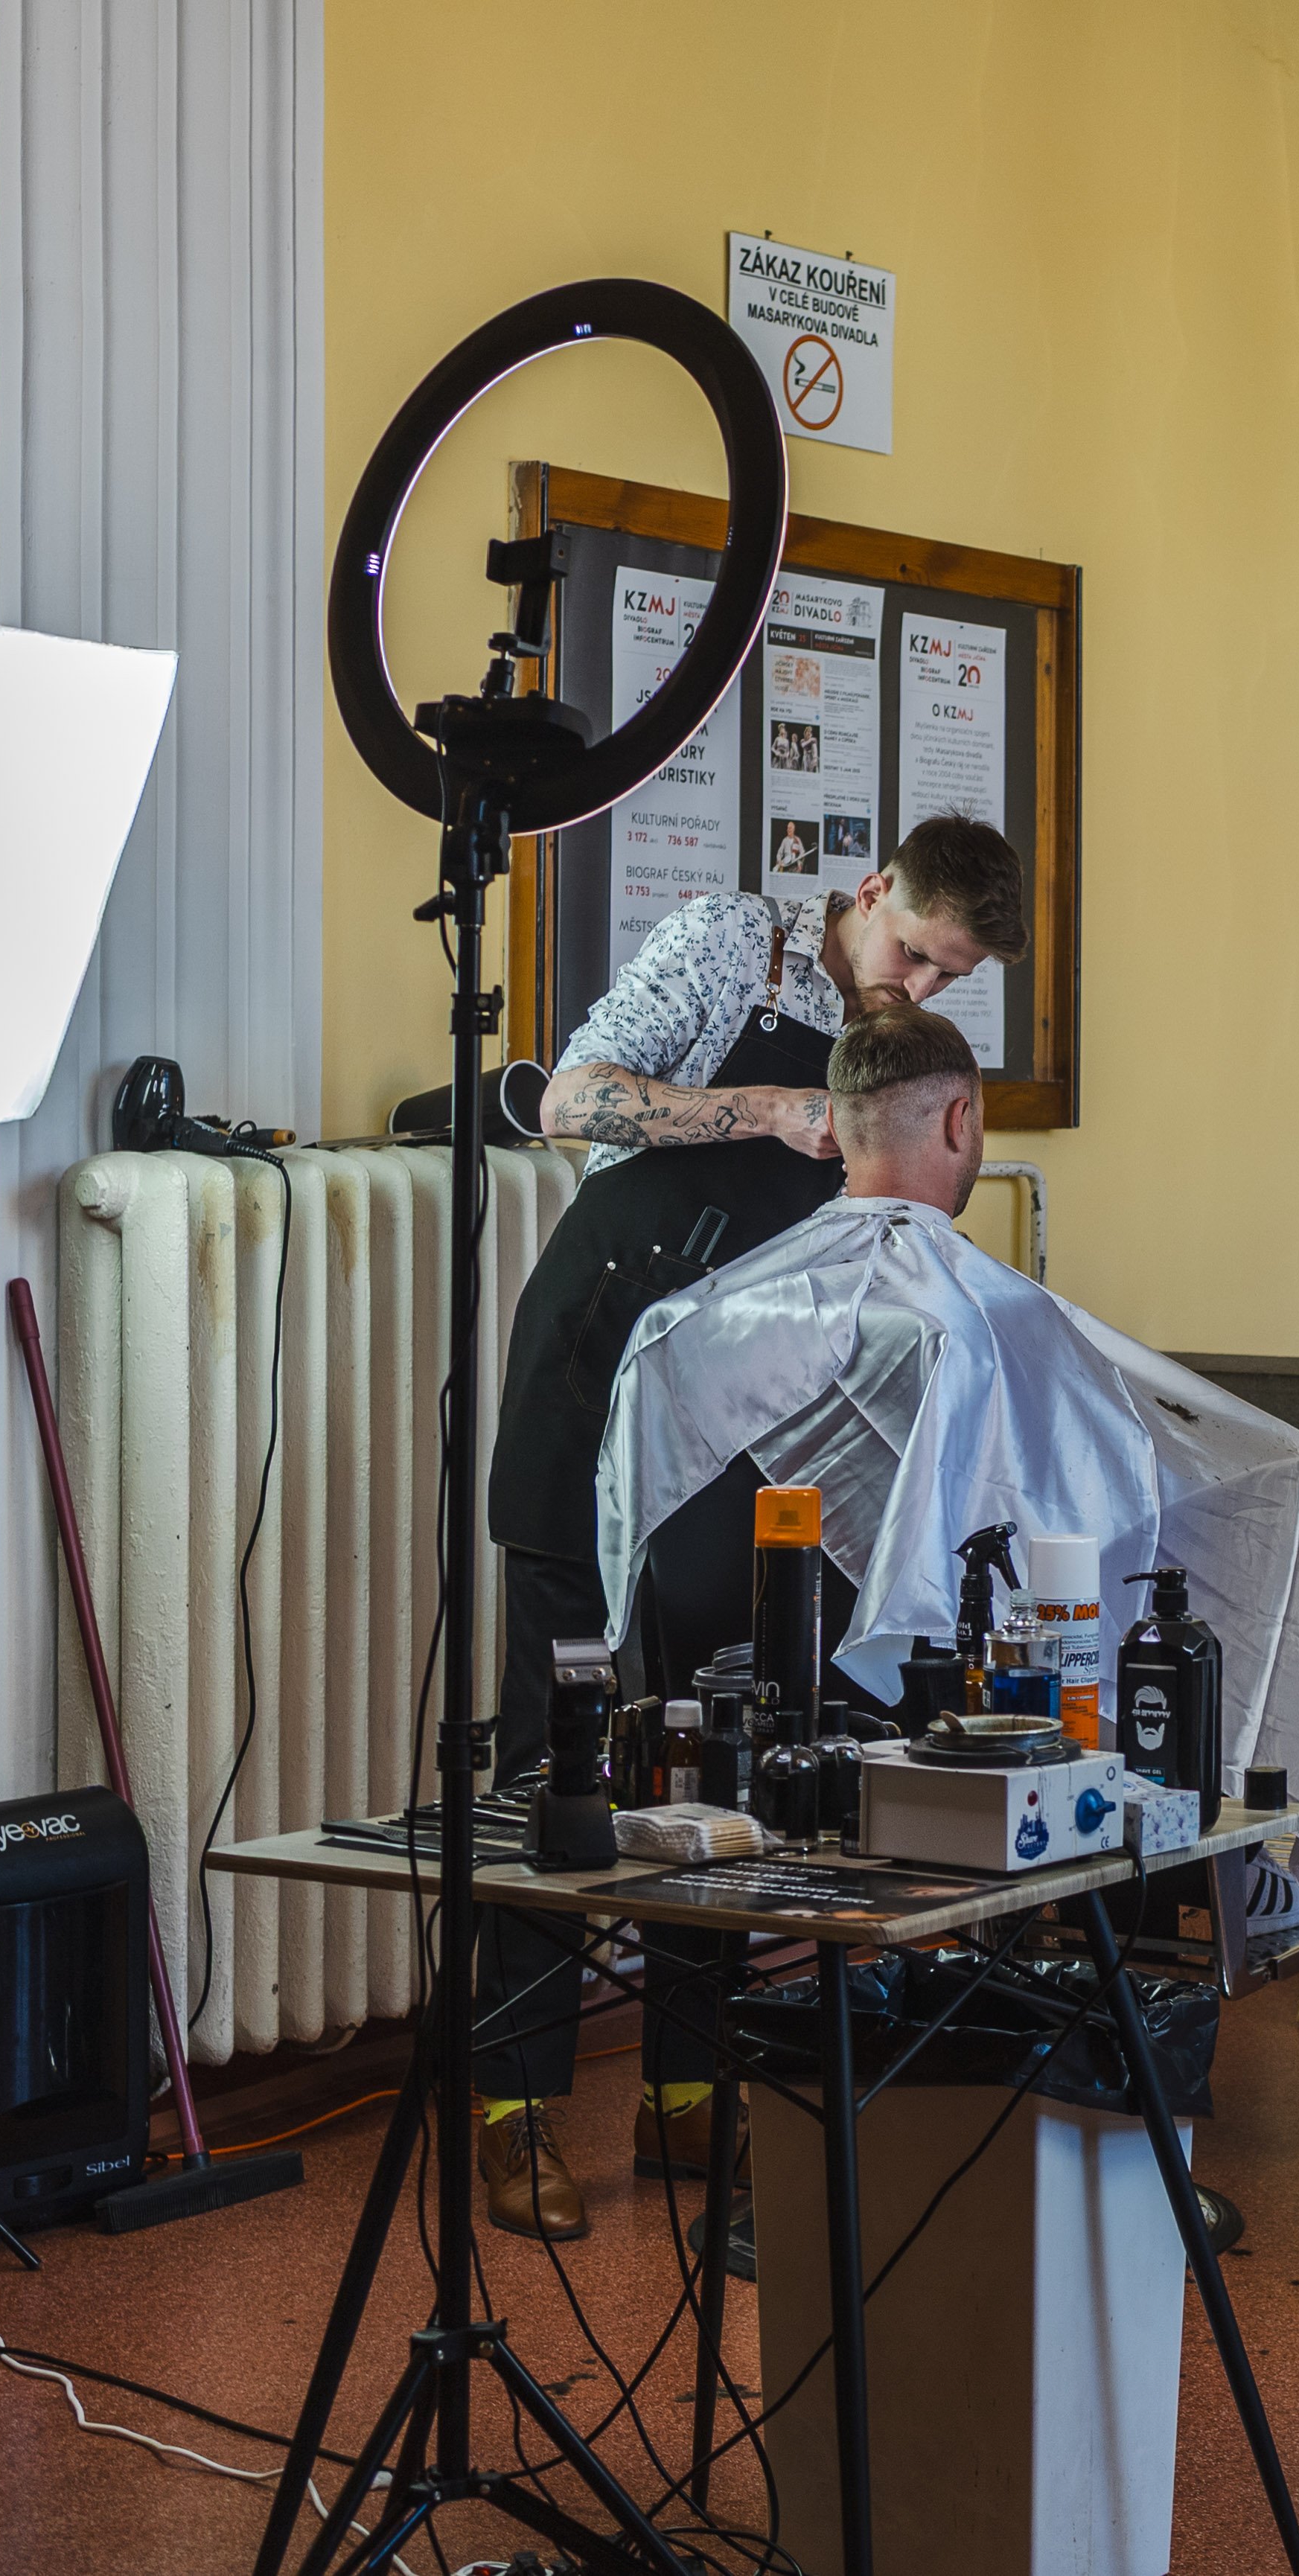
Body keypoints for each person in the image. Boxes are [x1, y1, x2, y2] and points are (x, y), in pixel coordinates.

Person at [601, 1004, 1299, 2045]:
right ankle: (1205, 1896)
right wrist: (1294, 1476)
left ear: (836, 1127)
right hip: (932, 1751)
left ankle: (683, 2087)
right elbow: (1083, 1502)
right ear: (961, 1123)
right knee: (1124, 1618)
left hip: (715, 1749)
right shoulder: (975, 1321)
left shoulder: (682, 1325)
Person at [471, 819, 1026, 2242]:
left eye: (950, 978)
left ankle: (682, 2091)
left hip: (729, 1421)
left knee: (708, 1752)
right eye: (915, 952)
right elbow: (568, 1097)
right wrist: (769, 1110)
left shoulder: (897, 1045)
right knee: (558, 1754)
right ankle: (512, 2108)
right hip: (597, 1365)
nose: (918, 987)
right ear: (870, 891)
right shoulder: (737, 945)